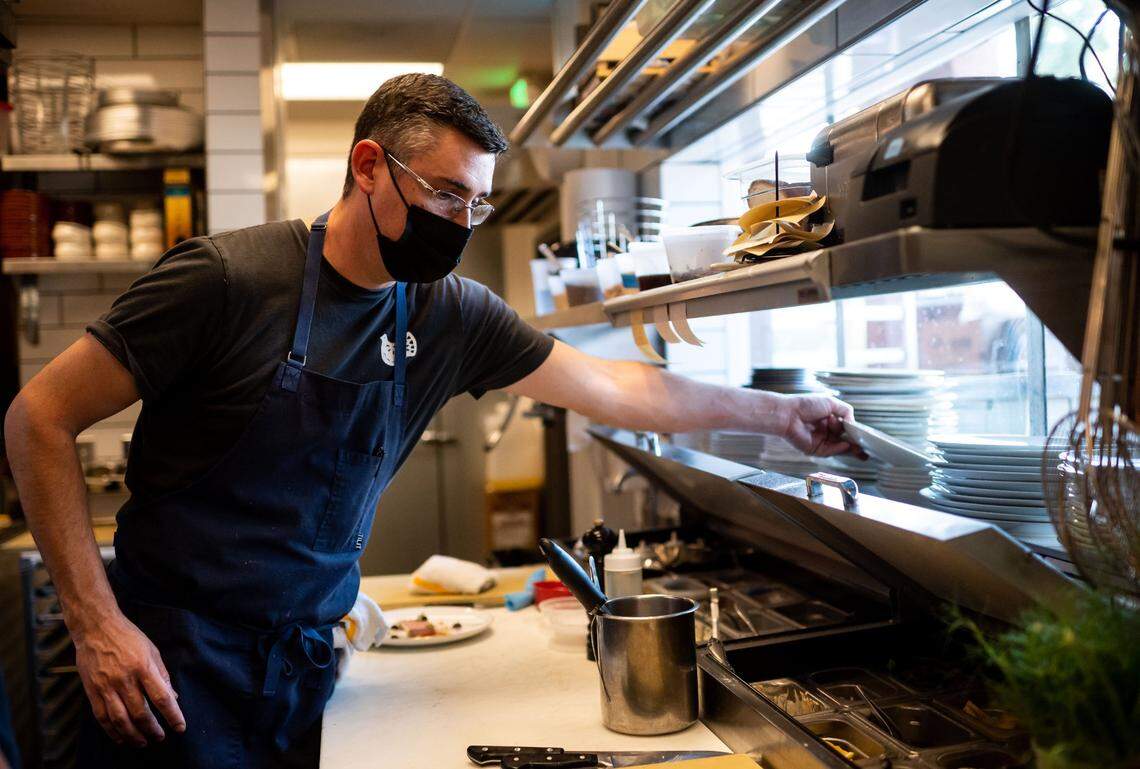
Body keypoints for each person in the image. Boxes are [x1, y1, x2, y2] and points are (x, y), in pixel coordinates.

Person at [2, 74, 856, 768]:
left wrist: (784, 414)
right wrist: (97, 624)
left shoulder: (451, 314)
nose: (460, 224)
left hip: (309, 670)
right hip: (169, 673)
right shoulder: (225, 281)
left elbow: (623, 389)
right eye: (446, 195)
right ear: (368, 166)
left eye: (475, 204)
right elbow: (37, 415)